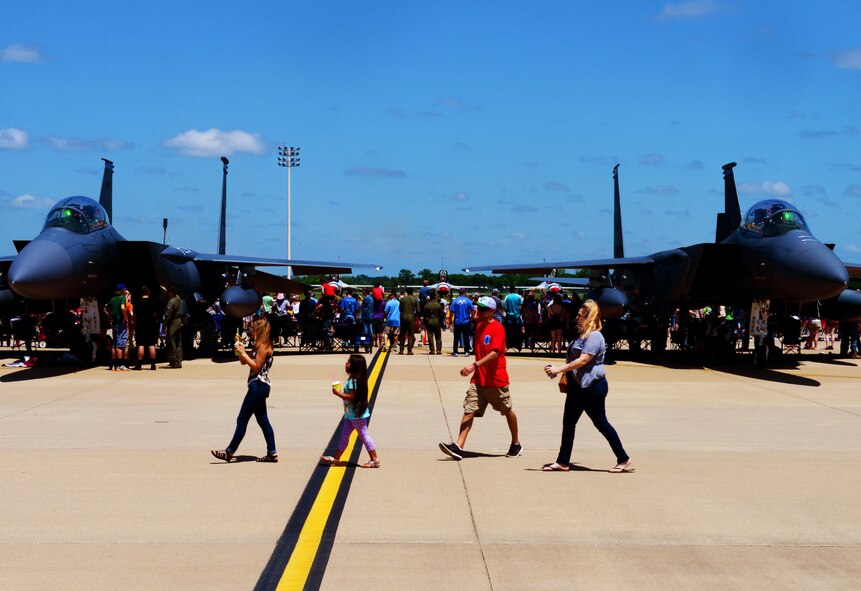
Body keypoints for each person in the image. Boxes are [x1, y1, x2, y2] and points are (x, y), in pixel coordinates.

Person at [543, 299, 632, 473]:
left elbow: (584, 360)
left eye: (580, 315)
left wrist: (559, 369)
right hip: (577, 387)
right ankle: (563, 461)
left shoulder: (595, 336)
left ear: (589, 316)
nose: (576, 317)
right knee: (568, 423)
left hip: (593, 387)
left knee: (600, 423)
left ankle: (623, 458)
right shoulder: (581, 335)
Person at [439, 296, 522, 460]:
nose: (478, 311)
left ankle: (516, 443)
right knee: (469, 410)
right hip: (479, 380)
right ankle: (459, 446)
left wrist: (474, 365)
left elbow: (495, 353)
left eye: (482, 309)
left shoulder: (497, 328)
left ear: (491, 311)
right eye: (477, 308)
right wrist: (474, 314)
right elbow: (472, 320)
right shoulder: (479, 324)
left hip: (495, 380)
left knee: (507, 411)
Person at [211, 316, 278, 463]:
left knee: (242, 419)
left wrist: (243, 352)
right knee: (263, 420)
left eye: (252, 328)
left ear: (259, 329)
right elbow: (243, 362)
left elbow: (256, 366)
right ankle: (272, 453)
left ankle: (229, 451)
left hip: (258, 386)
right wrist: (239, 346)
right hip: (258, 386)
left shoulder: (264, 346)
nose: (250, 330)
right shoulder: (258, 345)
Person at [320, 354, 381, 468]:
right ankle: (336, 458)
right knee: (344, 436)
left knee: (363, 435)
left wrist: (338, 393)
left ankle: (375, 459)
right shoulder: (355, 379)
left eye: (348, 362)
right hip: (351, 414)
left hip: (356, 415)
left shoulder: (353, 381)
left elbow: (351, 397)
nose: (346, 364)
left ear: (355, 366)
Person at [104, 283, 130, 371]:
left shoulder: (112, 299)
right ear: (123, 290)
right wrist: (126, 318)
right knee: (120, 345)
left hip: (114, 324)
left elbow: (105, 309)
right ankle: (119, 365)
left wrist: (110, 316)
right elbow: (122, 308)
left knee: (114, 345)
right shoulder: (122, 298)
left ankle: (113, 365)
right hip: (121, 323)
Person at [134, 286, 159, 370]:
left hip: (140, 325)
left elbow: (134, 316)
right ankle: (153, 365)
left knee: (141, 344)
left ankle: (139, 365)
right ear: (148, 293)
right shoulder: (153, 303)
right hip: (151, 325)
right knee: (151, 344)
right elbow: (156, 315)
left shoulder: (137, 303)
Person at [450, 288, 474, 357]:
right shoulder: (468, 301)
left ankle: (455, 351)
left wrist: (451, 319)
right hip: (466, 321)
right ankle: (466, 351)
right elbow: (473, 310)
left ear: (459, 293)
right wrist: (471, 318)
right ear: (465, 293)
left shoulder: (455, 301)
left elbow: (451, 311)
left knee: (456, 337)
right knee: (466, 337)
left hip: (457, 321)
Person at [164, 286, 183, 368]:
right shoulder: (178, 299)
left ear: (171, 292)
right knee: (179, 342)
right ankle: (179, 360)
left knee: (172, 342)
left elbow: (168, 315)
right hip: (178, 321)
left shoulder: (171, 302)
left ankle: (174, 361)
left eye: (168, 292)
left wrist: (164, 325)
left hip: (173, 323)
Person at [398, 287, 419, 354]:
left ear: (407, 292)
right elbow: (418, 310)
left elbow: (400, 309)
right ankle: (409, 350)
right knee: (411, 334)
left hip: (403, 316)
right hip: (411, 317)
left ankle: (401, 350)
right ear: (412, 292)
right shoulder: (415, 299)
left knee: (402, 333)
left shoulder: (402, 299)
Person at [422, 289, 443, 355]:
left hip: (429, 321)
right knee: (438, 337)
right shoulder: (438, 305)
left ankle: (432, 350)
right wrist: (441, 323)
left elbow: (425, 316)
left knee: (430, 336)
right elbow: (440, 315)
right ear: (435, 296)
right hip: (436, 321)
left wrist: (425, 322)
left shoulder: (427, 305)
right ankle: (439, 350)